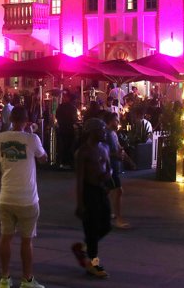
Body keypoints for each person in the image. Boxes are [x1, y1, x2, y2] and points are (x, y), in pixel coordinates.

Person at [0, 106, 47, 288]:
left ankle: (5, 278)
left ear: (10, 119)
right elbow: (44, 158)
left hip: (5, 196)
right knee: (26, 240)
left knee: (5, 237)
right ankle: (27, 279)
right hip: (27, 199)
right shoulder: (32, 139)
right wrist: (32, 135)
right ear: (27, 120)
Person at [72, 118, 112, 279]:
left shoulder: (104, 148)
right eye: (101, 130)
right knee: (92, 229)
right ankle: (94, 264)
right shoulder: (83, 152)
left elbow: (108, 167)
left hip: (101, 190)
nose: (104, 133)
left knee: (106, 226)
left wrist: (107, 177)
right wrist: (80, 203)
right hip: (89, 193)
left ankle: (82, 248)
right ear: (92, 132)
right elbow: (80, 179)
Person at [102, 111, 131, 229]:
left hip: (114, 167)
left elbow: (119, 148)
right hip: (109, 168)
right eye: (116, 120)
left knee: (106, 191)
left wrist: (129, 161)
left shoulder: (114, 134)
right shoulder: (106, 134)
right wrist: (117, 156)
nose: (118, 122)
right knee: (118, 191)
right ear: (109, 121)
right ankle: (119, 219)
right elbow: (104, 151)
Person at [55, 93, 78, 168]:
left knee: (62, 145)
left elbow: (57, 116)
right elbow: (75, 119)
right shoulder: (73, 107)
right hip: (69, 129)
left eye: (65, 97)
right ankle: (69, 162)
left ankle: (62, 162)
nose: (64, 98)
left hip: (62, 128)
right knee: (69, 146)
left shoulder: (61, 106)